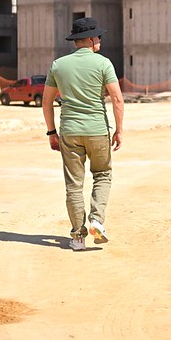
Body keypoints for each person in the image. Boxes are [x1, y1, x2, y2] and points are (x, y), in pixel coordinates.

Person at [42, 17, 124, 251]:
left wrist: (51, 132)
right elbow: (117, 99)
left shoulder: (58, 65)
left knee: (74, 186)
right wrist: (119, 130)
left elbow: (47, 101)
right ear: (89, 39)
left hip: (69, 131)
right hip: (97, 130)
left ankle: (78, 237)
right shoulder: (103, 64)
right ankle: (97, 220)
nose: (100, 40)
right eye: (98, 36)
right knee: (102, 175)